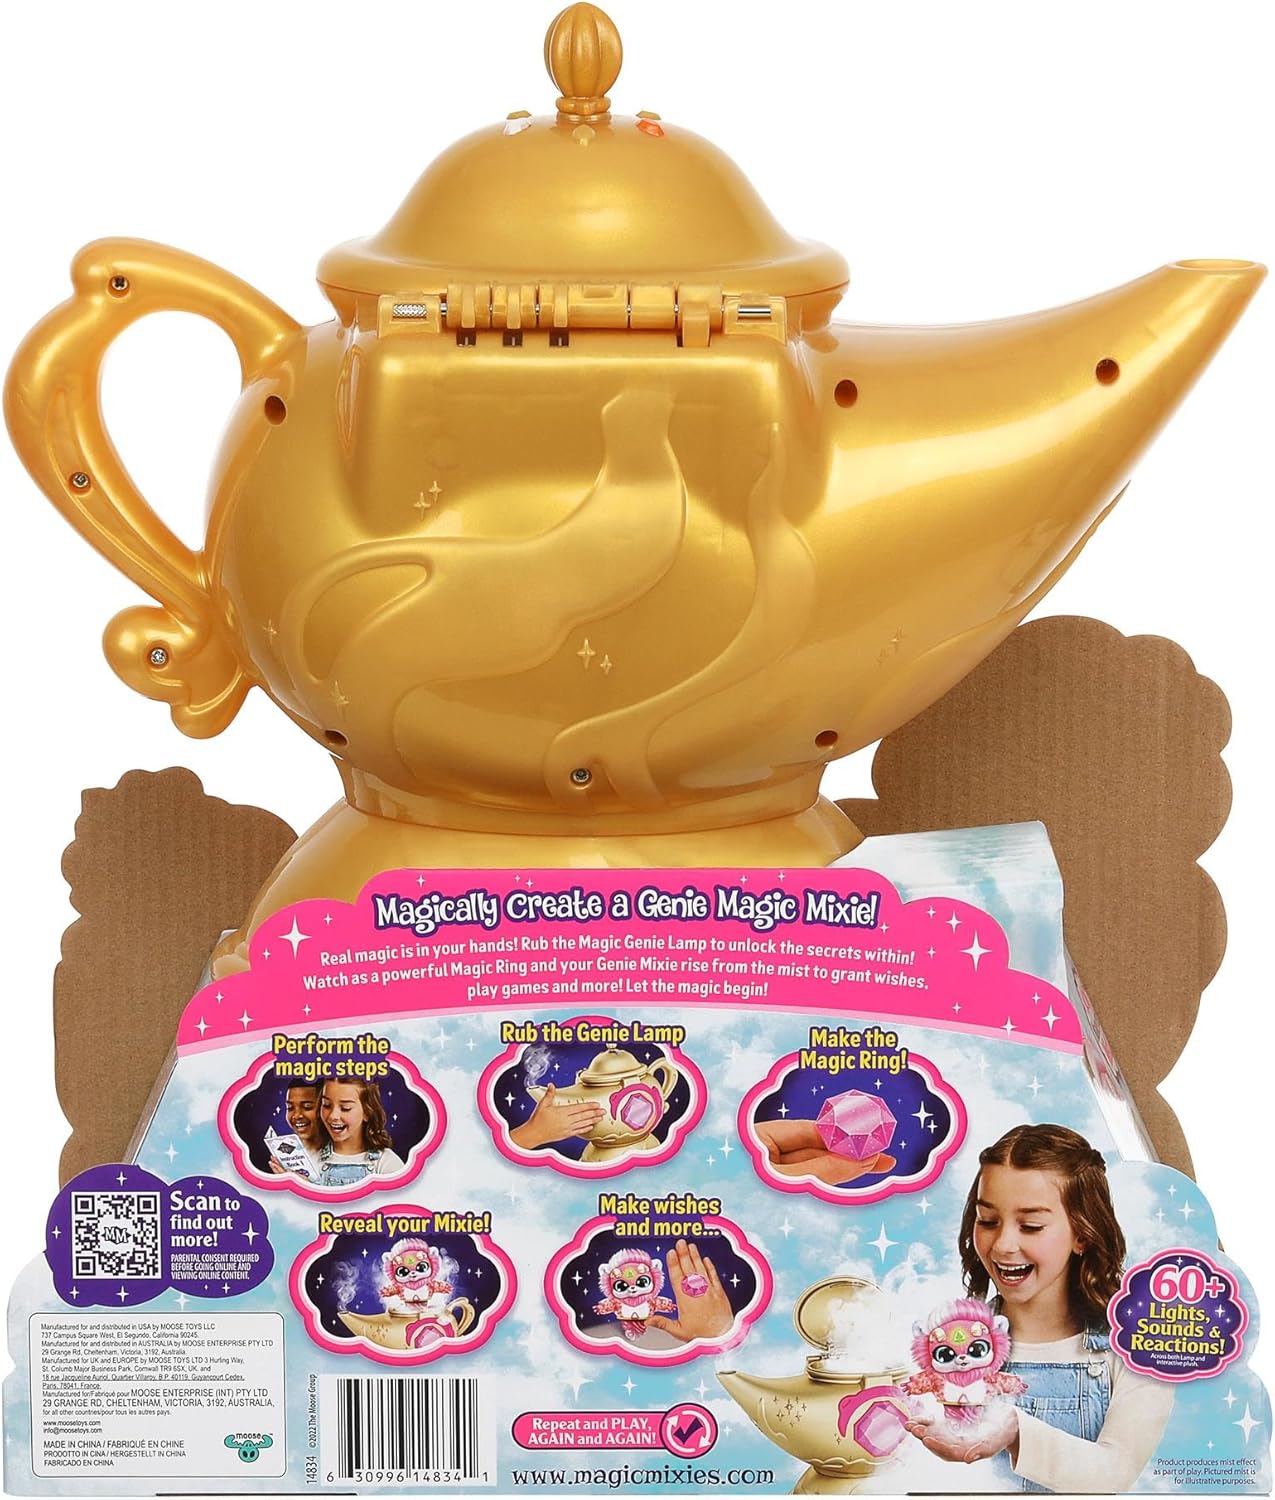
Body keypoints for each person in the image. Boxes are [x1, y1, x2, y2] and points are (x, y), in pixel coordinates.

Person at [905, 1123, 1172, 1492]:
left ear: (1082, 1234)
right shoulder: (947, 1341)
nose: (1003, 1245)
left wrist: (1015, 1431)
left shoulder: (1134, 1348)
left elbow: (1115, 1472)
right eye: (988, 1221)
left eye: (1031, 1226)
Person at [315, 1077, 407, 1188]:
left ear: (367, 1112)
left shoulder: (386, 1163)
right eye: (326, 1105)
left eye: (345, 1108)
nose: (332, 1116)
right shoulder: (311, 1157)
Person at [267, 1082, 327, 1178]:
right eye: (290, 1108)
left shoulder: (342, 1154)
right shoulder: (283, 1155)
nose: (296, 1115)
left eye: (307, 1107)